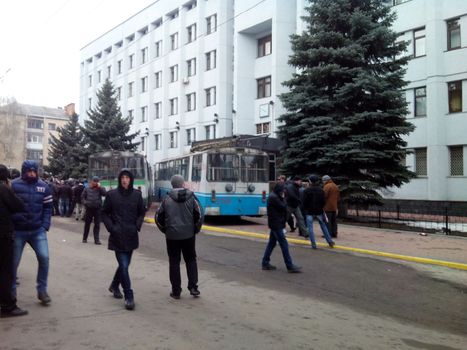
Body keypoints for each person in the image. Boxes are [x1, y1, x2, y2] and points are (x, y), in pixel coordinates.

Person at [102, 169, 145, 310]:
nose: (125, 180)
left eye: (127, 177)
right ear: (120, 179)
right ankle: (129, 296)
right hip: (117, 236)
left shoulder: (137, 195)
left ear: (131, 179)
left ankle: (115, 285)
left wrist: (137, 226)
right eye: (122, 177)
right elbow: (104, 213)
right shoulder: (112, 195)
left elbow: (141, 212)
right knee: (124, 265)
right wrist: (111, 228)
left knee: (124, 265)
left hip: (131, 235)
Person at [11, 160, 53, 305]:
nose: (32, 174)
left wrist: (45, 226)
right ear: (24, 171)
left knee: (44, 258)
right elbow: (7, 206)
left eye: (34, 171)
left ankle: (42, 290)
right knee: (13, 263)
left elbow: (48, 208)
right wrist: (14, 219)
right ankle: (11, 294)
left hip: (37, 231)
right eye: (29, 171)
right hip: (18, 231)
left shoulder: (44, 186)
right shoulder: (14, 185)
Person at [156, 174, 204, 299]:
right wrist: (195, 229)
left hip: (172, 236)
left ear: (172, 185)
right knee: (191, 260)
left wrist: (166, 230)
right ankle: (193, 287)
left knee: (174, 262)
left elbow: (158, 218)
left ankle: (176, 291)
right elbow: (200, 215)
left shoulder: (166, 199)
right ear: (182, 184)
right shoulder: (192, 198)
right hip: (189, 235)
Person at [0, 164, 28, 318]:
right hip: (3, 235)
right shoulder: (3, 189)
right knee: (5, 271)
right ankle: (7, 306)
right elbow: (19, 205)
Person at [261, 182, 301, 273]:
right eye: (283, 189)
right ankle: (290, 266)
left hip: (275, 223)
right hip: (276, 224)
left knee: (271, 244)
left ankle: (265, 263)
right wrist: (284, 198)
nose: (284, 191)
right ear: (279, 189)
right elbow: (284, 207)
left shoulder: (274, 196)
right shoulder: (274, 197)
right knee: (284, 244)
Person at [302, 175, 335, 249]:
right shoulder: (321, 190)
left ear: (310, 181)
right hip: (319, 211)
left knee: (310, 228)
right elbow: (323, 201)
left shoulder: (306, 190)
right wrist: (320, 207)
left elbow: (304, 202)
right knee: (323, 226)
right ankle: (330, 241)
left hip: (309, 211)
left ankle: (313, 244)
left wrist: (306, 209)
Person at [81, 176, 106, 244]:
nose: (95, 183)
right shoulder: (87, 188)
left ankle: (96, 240)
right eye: (94, 181)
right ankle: (84, 238)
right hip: (89, 208)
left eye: (97, 181)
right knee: (87, 224)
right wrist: (86, 203)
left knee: (97, 224)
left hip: (97, 209)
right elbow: (82, 197)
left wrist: (100, 187)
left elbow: (105, 194)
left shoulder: (99, 189)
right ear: (92, 181)